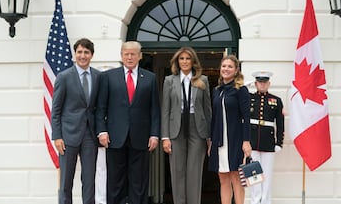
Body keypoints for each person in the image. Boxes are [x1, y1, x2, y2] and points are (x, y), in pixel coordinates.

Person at [95, 41, 161, 204]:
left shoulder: (150, 78)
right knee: (115, 181)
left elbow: (154, 110)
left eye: (133, 54)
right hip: (114, 138)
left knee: (138, 182)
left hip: (141, 138)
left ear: (139, 56)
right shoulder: (108, 77)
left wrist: (154, 134)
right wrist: (102, 131)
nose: (130, 57)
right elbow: (101, 107)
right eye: (126, 54)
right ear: (121, 55)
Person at [51, 38, 100, 204]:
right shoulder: (64, 77)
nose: (82, 55)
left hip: (89, 136)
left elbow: (99, 108)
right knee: (66, 182)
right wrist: (57, 136)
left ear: (91, 55)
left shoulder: (98, 76)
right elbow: (56, 110)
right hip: (67, 136)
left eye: (86, 52)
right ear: (75, 54)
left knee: (89, 181)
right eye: (79, 52)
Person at [161, 47, 212, 204]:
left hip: (197, 128)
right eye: (181, 59)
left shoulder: (202, 80)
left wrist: (209, 136)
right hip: (176, 127)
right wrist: (165, 137)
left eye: (187, 58)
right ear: (177, 61)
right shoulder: (169, 80)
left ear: (193, 61)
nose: (184, 61)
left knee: (194, 170)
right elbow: (165, 110)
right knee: (177, 170)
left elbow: (207, 109)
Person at [208, 55, 252, 204]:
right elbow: (213, 118)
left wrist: (246, 141)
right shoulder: (216, 90)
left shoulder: (241, 90)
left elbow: (247, 117)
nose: (226, 69)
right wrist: (211, 141)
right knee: (223, 178)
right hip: (219, 141)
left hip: (235, 139)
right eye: (224, 66)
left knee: (236, 178)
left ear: (236, 70)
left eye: (230, 66)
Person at [249, 71, 284, 204]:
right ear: (256, 83)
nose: (262, 84)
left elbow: (280, 123)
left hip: (269, 142)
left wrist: (279, 142)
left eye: (264, 82)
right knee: (254, 174)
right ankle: (255, 200)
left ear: (268, 84)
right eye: (259, 82)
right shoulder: (249, 98)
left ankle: (265, 201)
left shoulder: (276, 100)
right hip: (252, 141)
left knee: (267, 175)